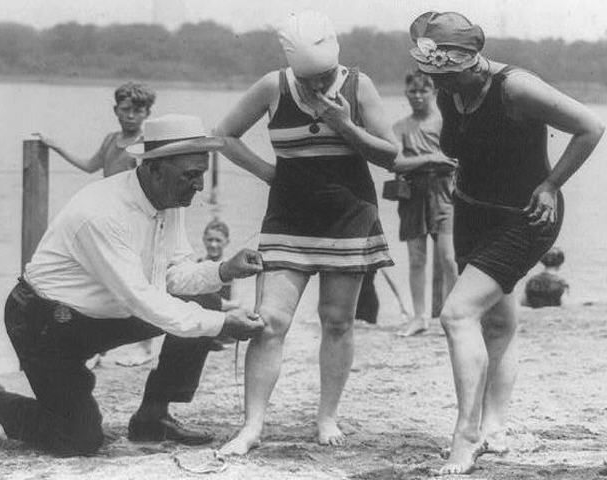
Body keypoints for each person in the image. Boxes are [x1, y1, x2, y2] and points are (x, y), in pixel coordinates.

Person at [0, 114, 266, 456]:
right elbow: (142, 300)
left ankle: (153, 417)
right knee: (79, 440)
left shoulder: (168, 197)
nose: (199, 186)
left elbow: (173, 276)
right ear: (154, 169)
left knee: (208, 303)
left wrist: (224, 270)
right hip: (44, 323)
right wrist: (223, 324)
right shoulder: (102, 213)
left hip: (102, 314)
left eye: (201, 173)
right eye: (191, 175)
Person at [408, 11, 604, 475]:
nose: (437, 82)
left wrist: (552, 184)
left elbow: (591, 127)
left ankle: (467, 434)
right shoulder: (449, 85)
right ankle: (495, 426)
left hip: (527, 217)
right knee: (497, 322)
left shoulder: (516, 87)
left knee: (456, 314)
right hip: (472, 211)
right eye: (433, 74)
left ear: (472, 60)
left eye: (444, 73)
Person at [213, 11, 399, 455]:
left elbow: (392, 156)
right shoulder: (273, 86)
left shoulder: (359, 85)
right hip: (289, 219)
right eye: (309, 78)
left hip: (348, 218)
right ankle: (252, 425)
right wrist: (270, 174)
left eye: (325, 76)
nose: (317, 86)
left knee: (337, 322)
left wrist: (346, 126)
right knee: (269, 323)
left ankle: (326, 416)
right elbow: (224, 136)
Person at [36, 82, 157, 367]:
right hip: (106, 218)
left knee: (138, 281)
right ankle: (96, 349)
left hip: (135, 220)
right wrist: (56, 146)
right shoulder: (110, 139)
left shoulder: (146, 144)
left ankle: (145, 346)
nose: (130, 116)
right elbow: (90, 166)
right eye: (125, 109)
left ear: (147, 113)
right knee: (99, 281)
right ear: (116, 110)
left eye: (138, 111)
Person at [391, 71, 459, 336]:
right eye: (412, 92)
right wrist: (431, 159)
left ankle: (452, 314)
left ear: (433, 93)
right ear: (406, 94)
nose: (418, 97)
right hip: (413, 194)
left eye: (423, 91)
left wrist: (437, 160)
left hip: (445, 192)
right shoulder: (399, 128)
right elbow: (395, 163)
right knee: (417, 258)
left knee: (449, 258)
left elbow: (457, 159)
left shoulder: (445, 124)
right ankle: (419, 317)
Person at [199, 219, 240, 350]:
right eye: (210, 240)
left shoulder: (231, 267)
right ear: (204, 239)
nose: (213, 244)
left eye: (218, 240)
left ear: (227, 242)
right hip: (202, 321)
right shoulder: (197, 265)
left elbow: (237, 302)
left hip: (223, 320)